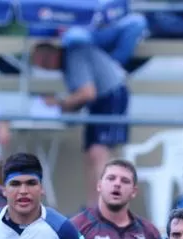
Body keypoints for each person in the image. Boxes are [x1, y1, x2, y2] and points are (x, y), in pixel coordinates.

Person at [30, 42, 130, 203]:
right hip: (102, 101)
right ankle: (95, 206)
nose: (46, 68)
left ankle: (103, 207)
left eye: (44, 63)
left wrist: (58, 103)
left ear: (53, 54)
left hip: (110, 98)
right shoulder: (69, 63)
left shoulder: (73, 56)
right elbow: (82, 98)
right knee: (92, 155)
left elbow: (86, 93)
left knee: (98, 154)